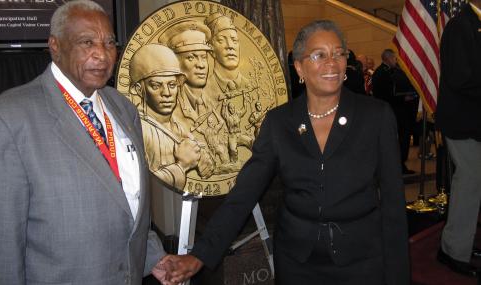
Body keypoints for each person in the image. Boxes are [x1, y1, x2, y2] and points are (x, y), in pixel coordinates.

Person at [160, 20, 410, 285]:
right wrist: (200, 255)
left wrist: (398, 276)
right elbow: (244, 194)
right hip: (298, 262)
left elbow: (394, 204)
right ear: (300, 67)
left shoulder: (376, 116)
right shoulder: (280, 123)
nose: (332, 63)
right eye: (320, 55)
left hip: (361, 260)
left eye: (338, 53)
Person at [0, 1, 172, 284]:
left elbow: (127, 199)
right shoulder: (7, 120)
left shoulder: (123, 108)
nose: (103, 54)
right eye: (87, 42)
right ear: (55, 46)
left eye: (109, 43)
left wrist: (153, 256)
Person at [435, 0, 481, 277]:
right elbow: (459, 77)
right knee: (470, 181)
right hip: (463, 122)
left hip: (474, 121)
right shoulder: (460, 26)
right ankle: (453, 250)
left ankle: (460, 241)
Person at [129, 43, 214, 188]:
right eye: (156, 86)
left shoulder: (178, 126)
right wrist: (182, 165)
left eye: (172, 85)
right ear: (139, 90)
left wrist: (202, 156)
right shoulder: (137, 130)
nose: (167, 93)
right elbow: (139, 187)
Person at [158, 20, 214, 129]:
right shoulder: (167, 106)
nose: (201, 65)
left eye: (204, 57)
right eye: (191, 57)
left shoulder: (213, 100)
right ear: (176, 63)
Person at [372, 49, 417, 175]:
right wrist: (404, 97)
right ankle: (399, 165)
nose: (396, 61)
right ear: (389, 58)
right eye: (395, 58)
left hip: (392, 110)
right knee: (401, 138)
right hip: (394, 111)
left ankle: (398, 164)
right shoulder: (383, 73)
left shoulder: (384, 71)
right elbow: (386, 95)